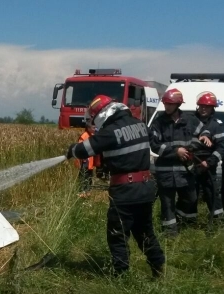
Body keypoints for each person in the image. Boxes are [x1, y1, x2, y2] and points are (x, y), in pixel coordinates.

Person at [66, 95, 165, 277]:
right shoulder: (140, 125)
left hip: (125, 191)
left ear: (103, 114)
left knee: (117, 234)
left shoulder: (110, 131)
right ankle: (158, 268)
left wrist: (71, 150)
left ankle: (121, 275)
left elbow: (83, 150)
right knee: (145, 231)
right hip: (145, 187)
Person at [149, 88, 206, 236]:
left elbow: (203, 132)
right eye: (165, 103)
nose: (166, 106)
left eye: (170, 104)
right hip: (165, 172)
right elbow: (154, 145)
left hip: (185, 170)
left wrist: (191, 147)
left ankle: (183, 223)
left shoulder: (190, 119)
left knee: (191, 198)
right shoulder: (158, 122)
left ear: (178, 104)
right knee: (167, 204)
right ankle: (170, 234)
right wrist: (176, 152)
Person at [190, 91, 224, 222]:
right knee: (190, 194)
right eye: (201, 106)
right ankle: (189, 221)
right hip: (191, 163)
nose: (203, 109)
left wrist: (209, 162)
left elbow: (222, 147)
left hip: (208, 165)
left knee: (212, 193)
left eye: (207, 107)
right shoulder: (190, 121)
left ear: (212, 108)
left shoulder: (216, 125)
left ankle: (216, 221)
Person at [75, 118, 97, 197]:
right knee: (84, 176)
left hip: (90, 161)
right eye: (93, 128)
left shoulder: (92, 135)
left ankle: (88, 192)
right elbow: (81, 149)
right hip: (84, 161)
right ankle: (82, 192)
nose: (95, 129)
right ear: (88, 128)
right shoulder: (84, 136)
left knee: (90, 176)